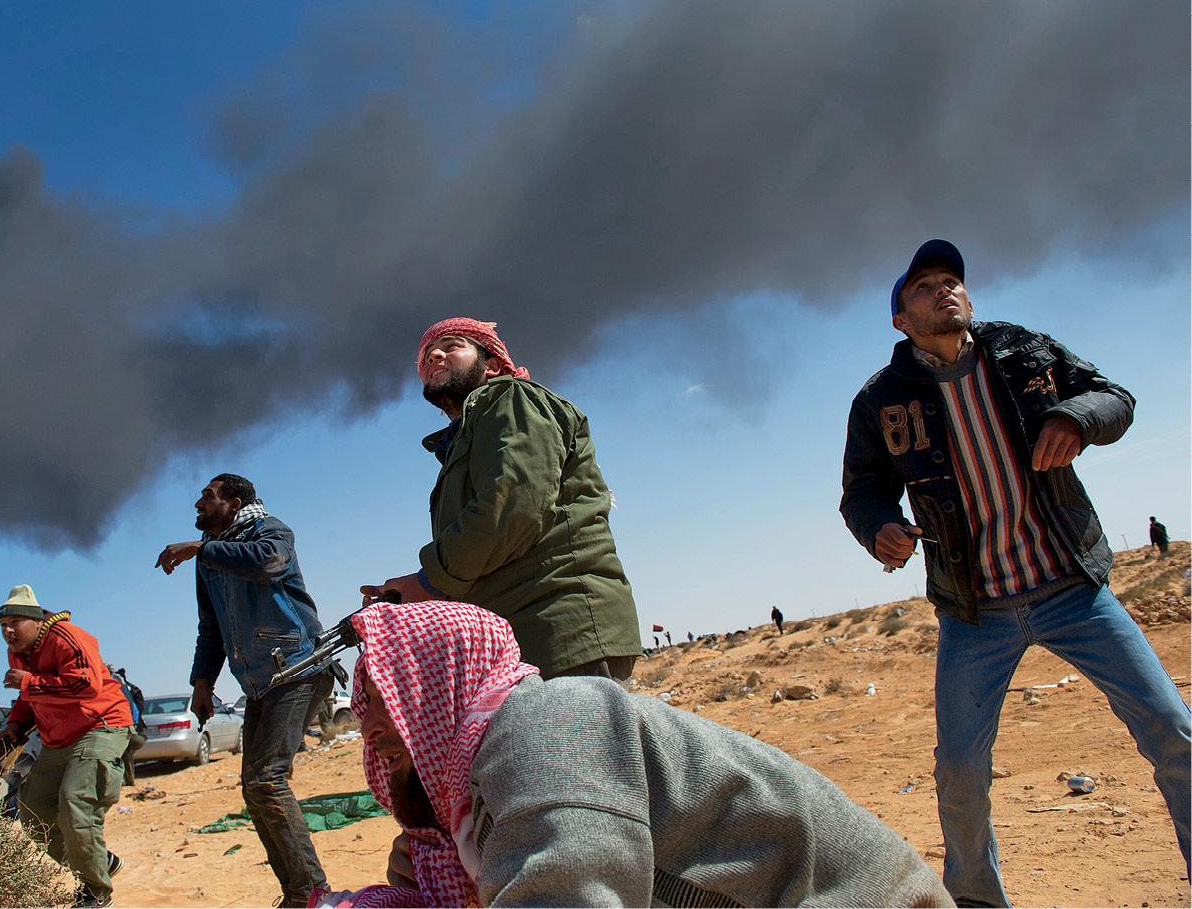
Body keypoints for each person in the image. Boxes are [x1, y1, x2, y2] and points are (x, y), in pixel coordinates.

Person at [840, 238, 1191, 906]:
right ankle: (977, 900)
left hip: (1072, 589)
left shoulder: (1022, 351)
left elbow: (1113, 396)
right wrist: (877, 528)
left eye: (950, 279)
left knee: (1173, 731)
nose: (943, 289)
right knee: (960, 773)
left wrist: (1072, 416)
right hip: (975, 613)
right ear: (899, 320)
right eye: (923, 286)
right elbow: (862, 491)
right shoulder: (881, 400)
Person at [309, 601, 952, 908]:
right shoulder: (484, 780)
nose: (372, 732)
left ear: (434, 684)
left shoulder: (547, 732)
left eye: (384, 701)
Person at [361, 318, 642, 680]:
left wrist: (428, 582)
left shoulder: (512, 398)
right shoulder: (469, 434)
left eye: (451, 345)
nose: (433, 354)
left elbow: (512, 507)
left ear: (492, 364)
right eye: (425, 356)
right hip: (522, 637)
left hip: (560, 627)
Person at [156, 474, 332, 907]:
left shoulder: (269, 530)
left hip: (298, 668)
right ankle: (298, 893)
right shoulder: (209, 560)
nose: (198, 504)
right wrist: (202, 684)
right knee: (255, 788)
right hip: (260, 684)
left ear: (234, 503)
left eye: (208, 497)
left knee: (267, 780)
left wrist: (199, 548)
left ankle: (310, 894)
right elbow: (211, 627)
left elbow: (269, 561)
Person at [0, 584, 133, 909]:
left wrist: (28, 682)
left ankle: (96, 895)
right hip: (58, 737)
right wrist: (15, 722)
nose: (8, 631)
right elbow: (28, 697)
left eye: (14, 623)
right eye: (3, 626)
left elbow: (87, 685)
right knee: (32, 810)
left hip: (100, 724)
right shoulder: (18, 653)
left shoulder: (66, 636)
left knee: (75, 803)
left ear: (36, 620)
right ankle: (99, 863)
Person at [108, 665, 147, 786]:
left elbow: (130, 705)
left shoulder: (113, 683)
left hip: (122, 724)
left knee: (122, 754)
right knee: (124, 754)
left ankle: (127, 781)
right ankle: (128, 780)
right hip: (127, 724)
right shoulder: (124, 684)